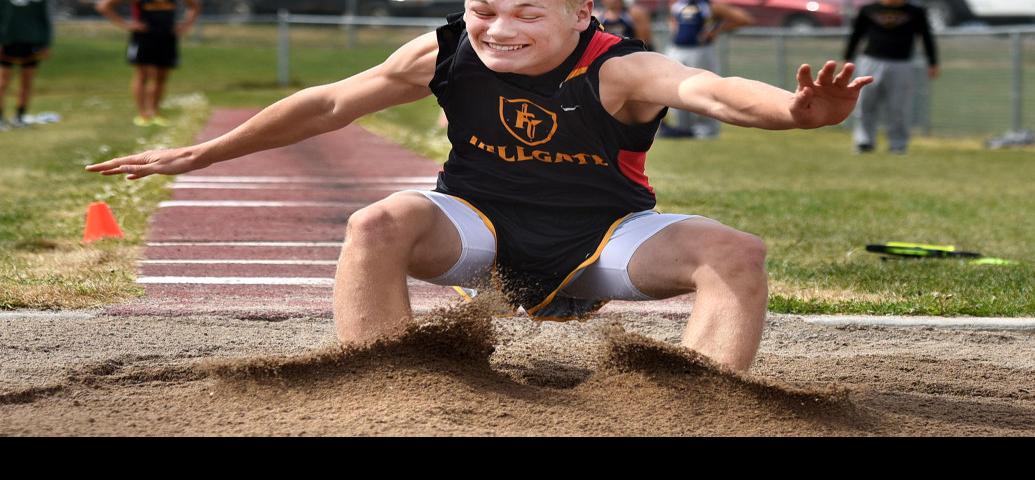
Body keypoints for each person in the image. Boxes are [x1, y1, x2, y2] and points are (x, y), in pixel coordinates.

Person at [87, 0, 872, 372]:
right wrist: (205, 153)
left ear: (580, 13)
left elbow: (711, 89)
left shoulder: (621, 67)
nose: (498, 28)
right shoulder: (445, 51)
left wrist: (796, 113)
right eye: (484, 8)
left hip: (602, 242)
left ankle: (706, 409)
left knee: (733, 252)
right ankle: (379, 388)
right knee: (376, 223)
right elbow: (328, 102)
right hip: (476, 233)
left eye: (527, 12)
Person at [845, 0, 938, 154]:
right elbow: (856, 34)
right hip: (871, 61)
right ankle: (864, 141)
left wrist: (933, 62)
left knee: (899, 106)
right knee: (865, 103)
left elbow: (926, 36)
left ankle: (898, 144)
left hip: (901, 63)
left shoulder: (915, 11)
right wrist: (848, 57)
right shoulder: (868, 9)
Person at [96, 0, 200, 127]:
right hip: (143, 38)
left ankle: (155, 112)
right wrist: (126, 25)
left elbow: (194, 6)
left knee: (161, 78)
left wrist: (185, 26)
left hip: (167, 38)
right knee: (142, 76)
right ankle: (142, 114)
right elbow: (104, 6)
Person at [660, 0, 753, 138]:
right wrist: (674, 27)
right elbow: (673, 19)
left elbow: (744, 19)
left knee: (703, 87)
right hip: (677, 49)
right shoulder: (678, 5)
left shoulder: (710, 6)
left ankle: (705, 129)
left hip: (700, 50)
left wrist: (717, 30)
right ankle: (683, 127)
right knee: (676, 88)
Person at [0, 0, 52, 129]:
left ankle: (19, 116)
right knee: (2, 82)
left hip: (32, 43)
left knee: (26, 82)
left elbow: (45, 19)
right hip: (8, 43)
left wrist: (46, 44)